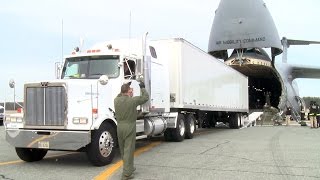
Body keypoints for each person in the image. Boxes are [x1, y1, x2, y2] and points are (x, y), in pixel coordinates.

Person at [114, 81, 149, 180]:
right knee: (129, 150)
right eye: (131, 90)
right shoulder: (132, 101)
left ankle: (129, 168)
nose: (132, 92)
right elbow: (145, 97)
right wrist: (142, 87)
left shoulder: (116, 100)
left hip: (119, 127)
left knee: (123, 151)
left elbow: (120, 94)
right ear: (128, 92)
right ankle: (126, 174)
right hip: (129, 127)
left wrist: (126, 86)